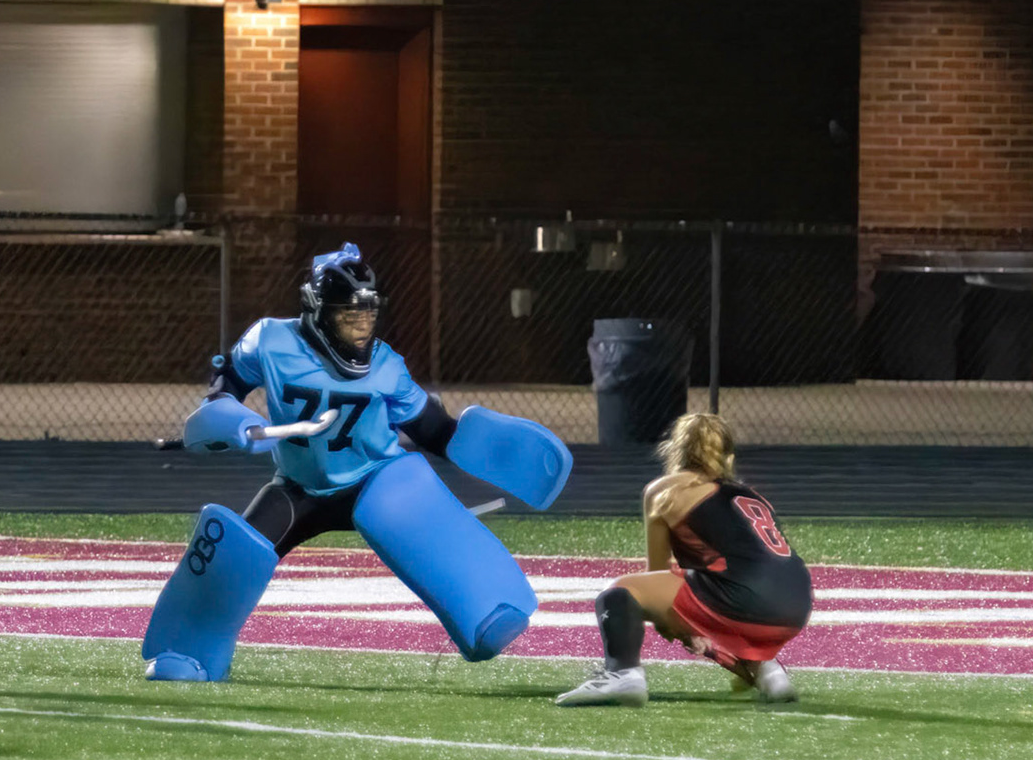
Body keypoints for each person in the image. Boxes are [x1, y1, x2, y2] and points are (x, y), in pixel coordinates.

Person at [139, 243, 572, 682]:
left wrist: (492, 449)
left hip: (375, 480)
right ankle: (189, 650)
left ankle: (487, 606)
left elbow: (434, 431)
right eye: (348, 316)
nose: (361, 328)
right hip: (300, 488)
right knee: (237, 547)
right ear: (317, 310)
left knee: (419, 510)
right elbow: (227, 382)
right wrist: (224, 413)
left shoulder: (386, 366)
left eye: (367, 315)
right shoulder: (271, 340)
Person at [557, 413, 808, 708]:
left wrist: (678, 627)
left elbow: (657, 572)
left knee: (621, 592)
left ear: (676, 449)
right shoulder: (752, 495)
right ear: (728, 454)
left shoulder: (665, 489)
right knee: (713, 598)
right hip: (797, 604)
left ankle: (622, 674)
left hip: (742, 600)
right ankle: (768, 671)